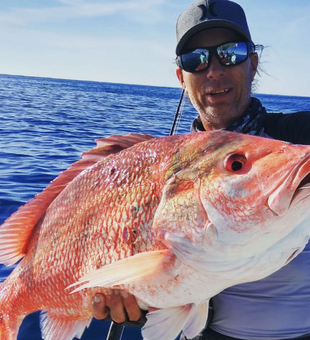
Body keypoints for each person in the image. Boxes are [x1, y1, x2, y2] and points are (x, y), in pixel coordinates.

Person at [92, 0, 310, 339]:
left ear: (253, 63)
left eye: (231, 53)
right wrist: (140, 303)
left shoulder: (296, 142)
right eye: (196, 60)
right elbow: (167, 275)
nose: (214, 70)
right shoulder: (162, 169)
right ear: (181, 77)